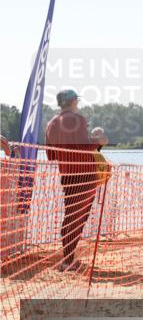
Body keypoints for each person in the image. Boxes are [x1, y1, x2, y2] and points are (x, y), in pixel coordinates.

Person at [44, 89, 105, 271]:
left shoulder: (51, 124)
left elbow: (51, 155)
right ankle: (69, 260)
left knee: (71, 216)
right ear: (72, 101)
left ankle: (68, 257)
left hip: (67, 176)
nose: (77, 103)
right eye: (76, 100)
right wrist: (99, 141)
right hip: (85, 177)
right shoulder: (77, 120)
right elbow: (86, 147)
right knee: (78, 218)